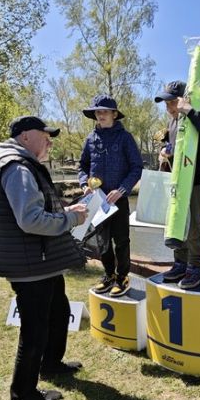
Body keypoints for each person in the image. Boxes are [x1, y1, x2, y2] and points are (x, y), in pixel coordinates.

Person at [0, 116, 89, 400]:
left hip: (40, 260)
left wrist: (66, 210)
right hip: (30, 264)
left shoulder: (22, 164)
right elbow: (30, 220)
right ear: (26, 136)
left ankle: (51, 364)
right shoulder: (17, 167)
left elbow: (37, 208)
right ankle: (23, 395)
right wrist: (71, 219)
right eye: (45, 136)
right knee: (34, 330)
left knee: (58, 312)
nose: (49, 142)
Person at [78, 94, 143, 297]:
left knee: (121, 241)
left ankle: (122, 277)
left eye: (105, 111)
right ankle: (108, 275)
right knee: (102, 242)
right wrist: (84, 184)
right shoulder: (90, 139)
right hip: (97, 201)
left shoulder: (125, 138)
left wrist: (122, 189)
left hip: (118, 200)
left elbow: (136, 167)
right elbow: (82, 166)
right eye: (98, 112)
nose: (101, 115)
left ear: (114, 114)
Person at [154, 80, 200, 289]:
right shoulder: (171, 123)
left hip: (196, 181)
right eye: (166, 104)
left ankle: (194, 268)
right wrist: (165, 152)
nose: (169, 108)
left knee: (196, 226)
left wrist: (188, 110)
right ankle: (180, 263)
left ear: (184, 99)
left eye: (172, 103)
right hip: (176, 182)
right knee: (177, 221)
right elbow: (174, 147)